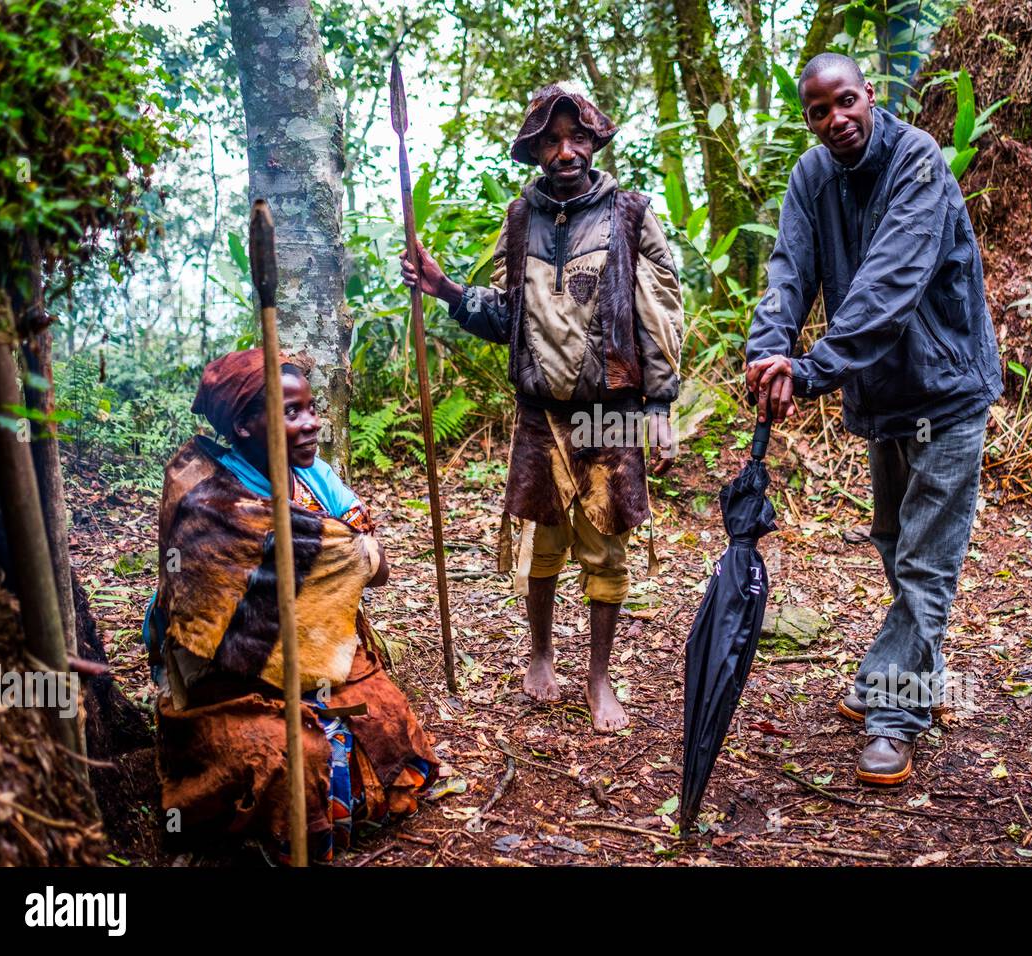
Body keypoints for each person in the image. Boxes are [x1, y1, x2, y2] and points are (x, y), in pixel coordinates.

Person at [745, 53, 1002, 785]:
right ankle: (922, 672)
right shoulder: (811, 176)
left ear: (869, 96)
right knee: (894, 543)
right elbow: (789, 271)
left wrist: (814, 368)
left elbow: (889, 284)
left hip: (946, 392)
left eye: (847, 101)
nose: (837, 120)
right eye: (819, 111)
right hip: (881, 398)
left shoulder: (917, 161)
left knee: (925, 561)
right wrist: (769, 354)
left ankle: (894, 714)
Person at [400, 83, 684, 733]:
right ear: (535, 151)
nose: (565, 151)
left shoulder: (631, 215)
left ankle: (599, 677)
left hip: (609, 411)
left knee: (607, 550)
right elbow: (506, 316)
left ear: (595, 142)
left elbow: (661, 313)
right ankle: (540, 654)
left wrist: (661, 402)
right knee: (541, 546)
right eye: (552, 140)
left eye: (576, 137)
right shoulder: (520, 219)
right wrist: (442, 285)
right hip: (540, 412)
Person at [143, 348, 438, 863]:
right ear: (242, 426)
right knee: (290, 758)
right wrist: (344, 549)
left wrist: (342, 549)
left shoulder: (314, 477)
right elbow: (202, 628)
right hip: (227, 679)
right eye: (290, 412)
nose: (312, 424)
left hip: (314, 653)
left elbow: (374, 563)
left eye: (311, 408)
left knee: (389, 719)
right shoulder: (207, 501)